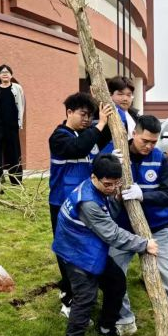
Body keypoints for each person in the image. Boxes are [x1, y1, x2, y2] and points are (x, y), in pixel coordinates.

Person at [53, 154, 158, 336]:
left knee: (116, 283)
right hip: (76, 253)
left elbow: (109, 213)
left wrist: (117, 197)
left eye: (115, 184)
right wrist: (144, 244)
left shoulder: (99, 190)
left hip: (88, 247)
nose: (112, 188)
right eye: (107, 184)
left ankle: (105, 327)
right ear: (94, 177)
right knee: (85, 301)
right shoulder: (88, 202)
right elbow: (112, 234)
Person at [109, 115, 168, 336]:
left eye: (153, 142)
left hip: (158, 228)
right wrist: (109, 165)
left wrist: (144, 196)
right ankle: (125, 320)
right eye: (145, 141)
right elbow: (97, 181)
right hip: (125, 230)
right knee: (113, 273)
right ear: (134, 134)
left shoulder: (160, 159)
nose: (149, 146)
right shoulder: (117, 153)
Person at [49, 93, 113, 315]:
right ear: (69, 112)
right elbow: (78, 148)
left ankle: (82, 290)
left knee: (87, 246)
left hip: (86, 203)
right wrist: (100, 124)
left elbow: (110, 132)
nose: (87, 120)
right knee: (67, 251)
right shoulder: (59, 136)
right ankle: (68, 296)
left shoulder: (89, 135)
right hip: (62, 203)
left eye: (91, 116)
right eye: (83, 114)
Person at [0, 64, 25, 184]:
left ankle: (16, 180)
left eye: (7, 72)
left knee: (14, 153)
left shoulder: (17, 88)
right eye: (2, 72)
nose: (5, 74)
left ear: (11, 75)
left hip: (12, 127)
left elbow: (21, 105)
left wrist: (19, 122)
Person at [101, 75, 139, 153]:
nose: (125, 99)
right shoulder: (103, 115)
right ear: (110, 95)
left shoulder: (135, 116)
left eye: (129, 95)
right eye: (120, 94)